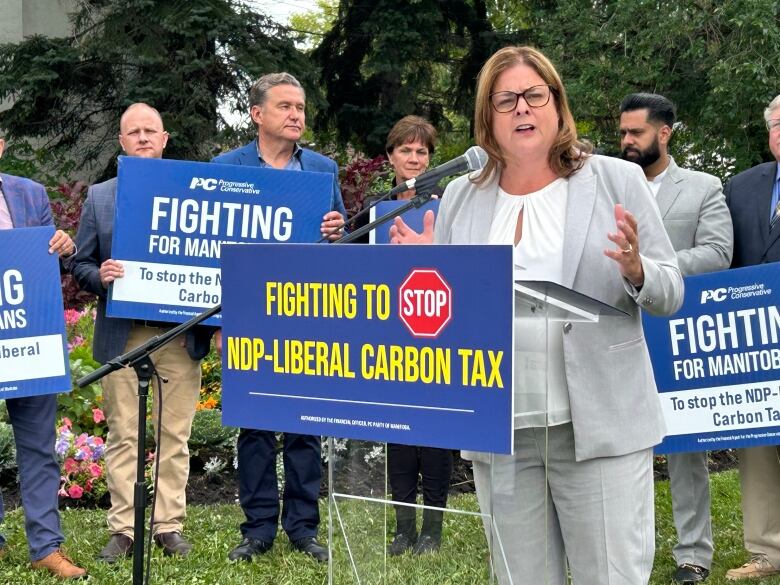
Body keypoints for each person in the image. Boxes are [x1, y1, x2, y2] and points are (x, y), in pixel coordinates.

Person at [391, 46, 683, 585]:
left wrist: (637, 268)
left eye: (533, 95)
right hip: (502, 430)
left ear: (556, 104)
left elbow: (671, 291)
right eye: (505, 100)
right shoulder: (461, 196)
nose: (521, 109)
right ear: (488, 118)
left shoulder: (615, 180)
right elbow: (451, 312)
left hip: (597, 423)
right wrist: (430, 271)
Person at [212, 72, 346, 564]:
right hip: (250, 314)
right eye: (286, 106)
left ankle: (304, 528)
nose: (296, 115)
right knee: (255, 426)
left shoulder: (321, 169)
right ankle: (258, 528)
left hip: (308, 312)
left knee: (306, 426)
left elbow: (340, 239)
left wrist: (338, 229)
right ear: (257, 114)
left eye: (301, 107)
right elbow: (213, 253)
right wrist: (221, 322)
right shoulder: (226, 167)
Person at [72, 103, 213, 562]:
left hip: (178, 334)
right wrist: (102, 276)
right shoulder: (101, 197)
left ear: (165, 138)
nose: (143, 138)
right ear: (122, 142)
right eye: (133, 132)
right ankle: (124, 529)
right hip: (124, 334)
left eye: (150, 130)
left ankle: (167, 525)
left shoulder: (194, 194)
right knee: (123, 435)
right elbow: (81, 265)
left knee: (175, 435)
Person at [619, 92, 733, 585]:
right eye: (622, 133)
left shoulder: (703, 187)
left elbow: (717, 253)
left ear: (664, 133)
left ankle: (693, 555)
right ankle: (625, 554)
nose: (626, 142)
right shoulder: (608, 185)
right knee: (621, 453)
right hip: (616, 333)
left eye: (636, 133)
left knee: (685, 452)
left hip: (677, 332)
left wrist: (649, 270)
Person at [0, 136, 86, 579]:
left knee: (37, 446)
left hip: (28, 340)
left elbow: (48, 261)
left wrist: (64, 246)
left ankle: (46, 549)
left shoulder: (30, 193)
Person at [374, 116, 452, 556]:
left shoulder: (449, 203)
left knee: (435, 438)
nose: (414, 157)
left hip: (438, 330)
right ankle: (403, 528)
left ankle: (433, 530)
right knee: (399, 437)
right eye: (406, 149)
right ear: (391, 156)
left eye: (422, 151)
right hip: (391, 336)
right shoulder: (375, 207)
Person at [722, 93, 780, 581]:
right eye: (777, 125)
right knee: (758, 445)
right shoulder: (740, 187)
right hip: (753, 344)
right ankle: (767, 552)